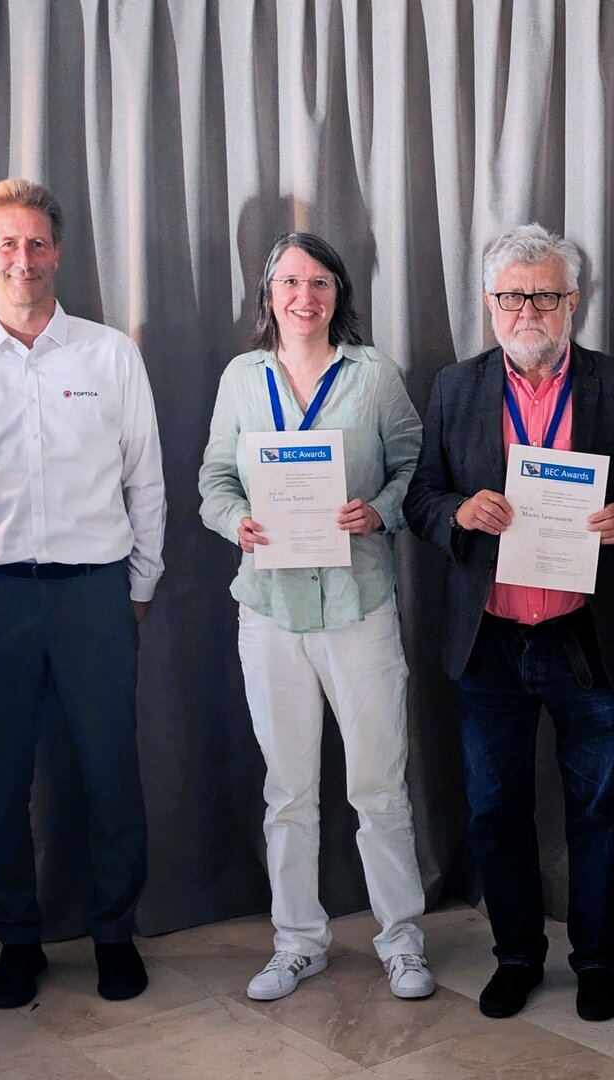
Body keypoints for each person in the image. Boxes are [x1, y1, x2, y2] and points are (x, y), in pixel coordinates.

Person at [404, 224, 614, 1023]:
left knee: (597, 813)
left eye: (547, 294)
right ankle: (517, 955)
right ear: (490, 303)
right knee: (494, 812)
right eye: (514, 295)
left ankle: (596, 961)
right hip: (488, 640)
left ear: (574, 302)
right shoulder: (455, 388)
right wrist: (460, 510)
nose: (530, 309)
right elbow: (422, 497)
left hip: (584, 638)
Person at [0, 178, 165, 1008]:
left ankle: (113, 936)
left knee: (111, 779)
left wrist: (139, 586)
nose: (24, 259)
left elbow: (146, 481)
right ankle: (17, 942)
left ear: (59, 253)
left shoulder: (109, 354)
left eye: (38, 243)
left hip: (96, 598)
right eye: (8, 244)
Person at [197, 232, 435, 1003]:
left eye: (322, 283)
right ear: (268, 294)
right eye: (291, 282)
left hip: (358, 607)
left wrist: (384, 511)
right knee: (289, 791)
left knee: (378, 787)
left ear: (341, 293)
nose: (306, 297)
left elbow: (413, 466)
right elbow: (214, 478)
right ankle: (298, 942)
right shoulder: (242, 377)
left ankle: (401, 940)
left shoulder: (372, 375)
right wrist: (235, 520)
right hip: (269, 612)